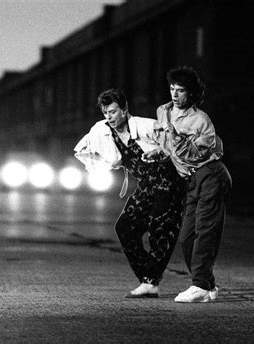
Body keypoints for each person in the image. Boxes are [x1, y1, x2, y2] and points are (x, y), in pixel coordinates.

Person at [74, 89, 185, 298]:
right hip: (146, 186)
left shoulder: (146, 126)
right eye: (106, 112)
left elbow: (175, 142)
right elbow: (86, 147)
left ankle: (150, 282)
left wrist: (161, 151)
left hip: (169, 183)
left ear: (124, 111)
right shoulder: (104, 132)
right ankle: (148, 278)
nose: (109, 117)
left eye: (113, 112)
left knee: (160, 229)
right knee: (125, 227)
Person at [145, 66, 232, 303]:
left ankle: (200, 285)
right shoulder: (163, 111)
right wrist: (157, 153)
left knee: (205, 231)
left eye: (180, 90)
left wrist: (174, 135)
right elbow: (168, 148)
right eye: (172, 89)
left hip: (210, 174)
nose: (174, 95)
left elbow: (194, 154)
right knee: (187, 237)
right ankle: (208, 285)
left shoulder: (201, 120)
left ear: (191, 93)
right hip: (191, 179)